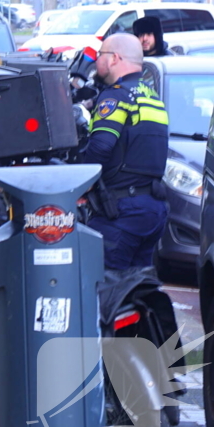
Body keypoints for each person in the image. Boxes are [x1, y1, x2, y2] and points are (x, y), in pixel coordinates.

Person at [82, 33, 169, 270]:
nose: (96, 61)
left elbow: (101, 146)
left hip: (122, 211)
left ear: (114, 59)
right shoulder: (151, 96)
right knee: (136, 287)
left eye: (100, 55)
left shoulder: (116, 95)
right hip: (152, 209)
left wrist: (81, 186)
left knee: (104, 284)